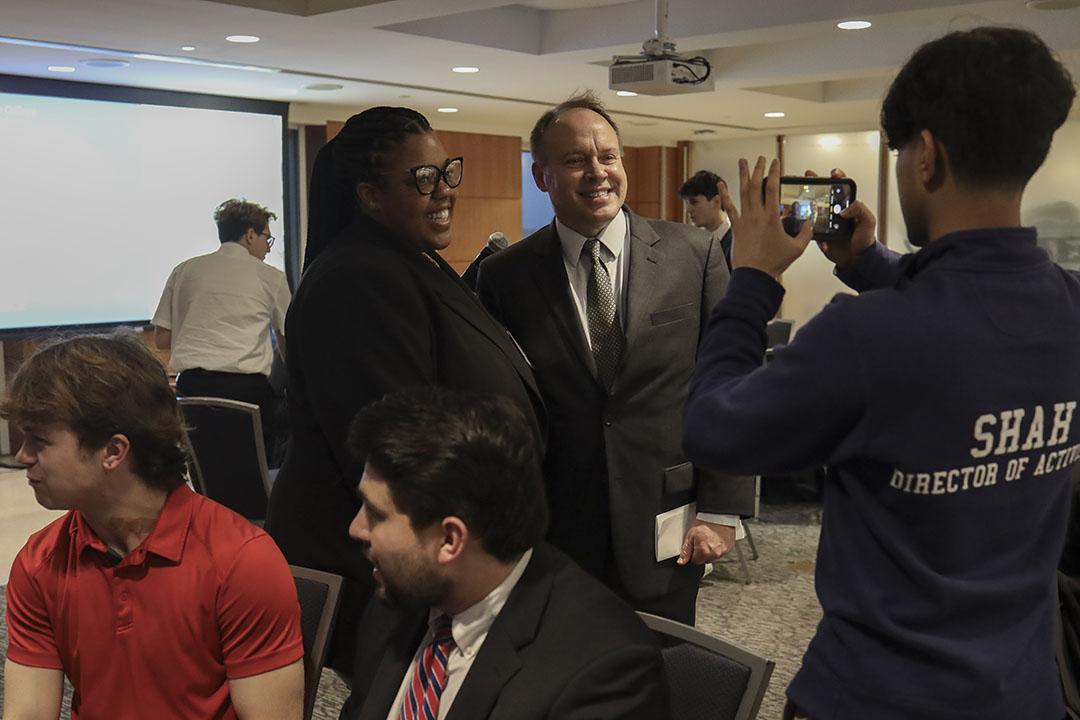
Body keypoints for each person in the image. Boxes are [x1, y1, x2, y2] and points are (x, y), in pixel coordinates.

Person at [682, 27, 1078, 720]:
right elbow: (975, 316)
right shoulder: (1069, 305)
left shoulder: (864, 336)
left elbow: (715, 428)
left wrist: (750, 279)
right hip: (1024, 692)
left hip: (876, 697)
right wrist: (868, 263)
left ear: (926, 156)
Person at [267, 107, 543, 678]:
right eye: (423, 179)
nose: (444, 191)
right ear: (369, 195)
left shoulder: (409, 259)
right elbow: (394, 445)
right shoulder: (359, 277)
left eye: (448, 172)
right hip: (386, 565)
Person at [477, 92, 755, 625]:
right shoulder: (505, 277)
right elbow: (501, 406)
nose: (597, 172)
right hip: (555, 527)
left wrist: (723, 510)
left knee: (662, 683)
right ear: (542, 176)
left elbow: (728, 386)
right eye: (575, 160)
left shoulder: (692, 256)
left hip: (667, 523)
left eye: (608, 156)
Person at [1, 333, 304, 720]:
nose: (23, 456)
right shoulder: (40, 561)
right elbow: (28, 712)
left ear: (114, 451)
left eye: (39, 441)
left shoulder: (241, 561)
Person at [339, 387, 668, 720]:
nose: (356, 528)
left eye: (375, 514)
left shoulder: (605, 673)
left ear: (450, 539)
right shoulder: (398, 599)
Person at [152, 198, 290, 459]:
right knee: (251, 469)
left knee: (205, 469)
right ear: (250, 235)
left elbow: (162, 339)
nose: (268, 249)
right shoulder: (270, 276)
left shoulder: (184, 271)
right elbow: (287, 340)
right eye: (266, 239)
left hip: (191, 391)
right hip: (246, 394)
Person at [679, 170, 733, 270]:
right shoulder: (695, 244)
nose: (688, 209)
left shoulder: (735, 243)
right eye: (686, 203)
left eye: (694, 202)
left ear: (716, 201)